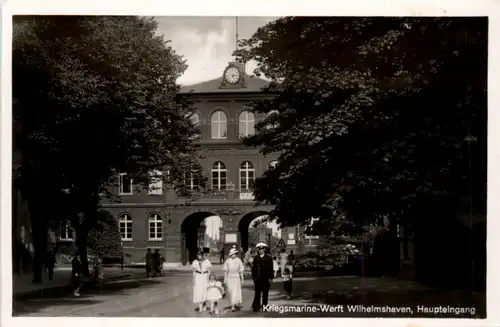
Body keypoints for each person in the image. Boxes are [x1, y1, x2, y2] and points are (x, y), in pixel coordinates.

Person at [251, 242, 274, 312]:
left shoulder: (268, 258)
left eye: (262, 249)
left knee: (265, 294)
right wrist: (254, 278)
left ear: (264, 249)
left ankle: (265, 306)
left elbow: (270, 269)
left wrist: (270, 278)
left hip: (266, 279)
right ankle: (257, 306)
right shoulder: (256, 258)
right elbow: (253, 269)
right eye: (259, 249)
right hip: (258, 279)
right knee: (257, 293)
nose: (260, 250)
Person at [223, 247, 245, 312]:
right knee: (230, 291)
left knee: (235, 291)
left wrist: (242, 278)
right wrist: (225, 279)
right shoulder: (228, 261)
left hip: (236, 278)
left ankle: (232, 306)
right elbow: (225, 271)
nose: (233, 255)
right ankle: (233, 303)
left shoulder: (238, 260)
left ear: (236, 254)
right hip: (229, 277)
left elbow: (241, 270)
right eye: (232, 254)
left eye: (234, 254)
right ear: (230, 255)